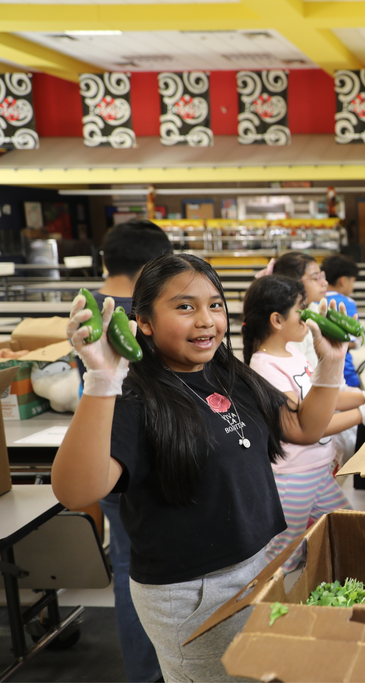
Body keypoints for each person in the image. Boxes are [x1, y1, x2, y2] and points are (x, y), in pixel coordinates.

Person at [53, 253, 350, 682]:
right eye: (185, 306)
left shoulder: (230, 374)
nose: (206, 320)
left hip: (256, 565)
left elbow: (302, 426)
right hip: (193, 591)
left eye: (215, 304)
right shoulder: (135, 397)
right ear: (145, 322)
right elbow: (75, 492)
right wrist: (101, 381)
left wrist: (332, 363)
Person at [242, 275, 365, 572]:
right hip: (294, 476)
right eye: (302, 309)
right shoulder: (265, 368)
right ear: (277, 319)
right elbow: (306, 428)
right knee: (283, 557)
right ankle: (274, 606)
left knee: (347, 528)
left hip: (318, 470)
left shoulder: (292, 353)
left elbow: (324, 398)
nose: (310, 315)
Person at [79, 219, 171, 683]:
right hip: (138, 457)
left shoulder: (86, 306)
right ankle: (153, 673)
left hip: (108, 453)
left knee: (131, 566)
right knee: (145, 573)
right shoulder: (132, 314)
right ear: (153, 266)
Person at [269, 252, 330, 366]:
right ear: (293, 282)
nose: (325, 283)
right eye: (316, 278)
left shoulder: (316, 309)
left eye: (322, 276)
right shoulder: (291, 323)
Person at [321, 254, 362, 390]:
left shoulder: (314, 300)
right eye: (353, 282)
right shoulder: (347, 303)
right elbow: (353, 340)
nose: (353, 287)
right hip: (344, 371)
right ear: (343, 281)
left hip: (318, 372)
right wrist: (358, 342)